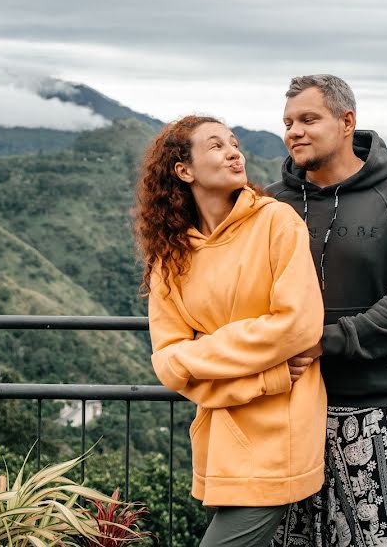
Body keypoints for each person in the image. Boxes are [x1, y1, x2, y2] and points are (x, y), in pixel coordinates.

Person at [134, 115, 327, 547]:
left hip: (281, 429)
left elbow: (299, 325)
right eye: (216, 146)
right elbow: (168, 362)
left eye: (234, 143)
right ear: (184, 171)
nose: (234, 152)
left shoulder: (277, 222)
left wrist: (203, 350)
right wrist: (267, 373)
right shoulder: (171, 254)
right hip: (221, 432)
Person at [267, 75, 387, 547]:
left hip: (373, 412)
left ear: (347, 122)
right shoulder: (269, 205)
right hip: (283, 412)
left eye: (308, 119)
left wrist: (324, 341)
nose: (294, 131)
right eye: (288, 122)